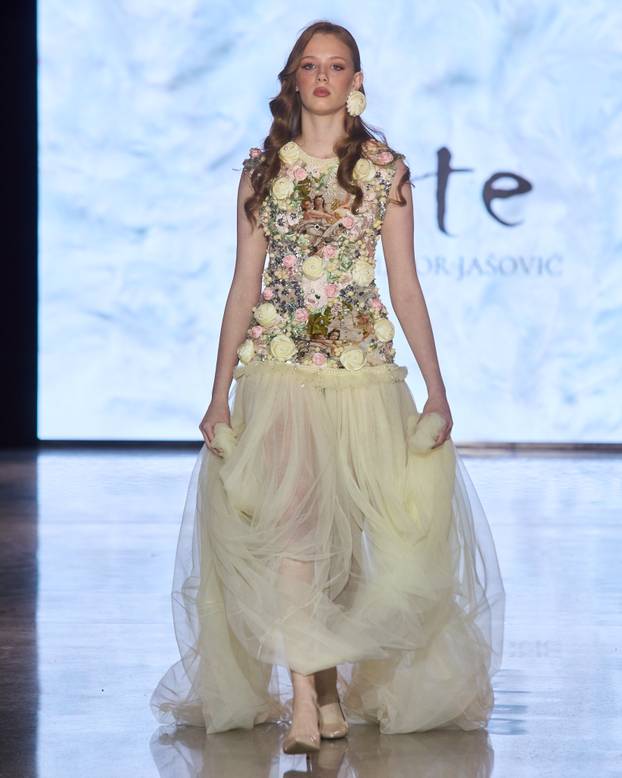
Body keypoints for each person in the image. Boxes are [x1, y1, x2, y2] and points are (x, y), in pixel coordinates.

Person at [150, 20, 505, 758]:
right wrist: (217, 394)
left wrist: (437, 389)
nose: (322, 77)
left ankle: (329, 688)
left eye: (336, 66)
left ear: (356, 81)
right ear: (294, 78)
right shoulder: (261, 174)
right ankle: (306, 704)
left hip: (360, 377)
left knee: (344, 544)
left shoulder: (385, 173)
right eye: (310, 65)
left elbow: (405, 287)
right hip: (277, 376)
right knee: (295, 530)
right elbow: (243, 286)